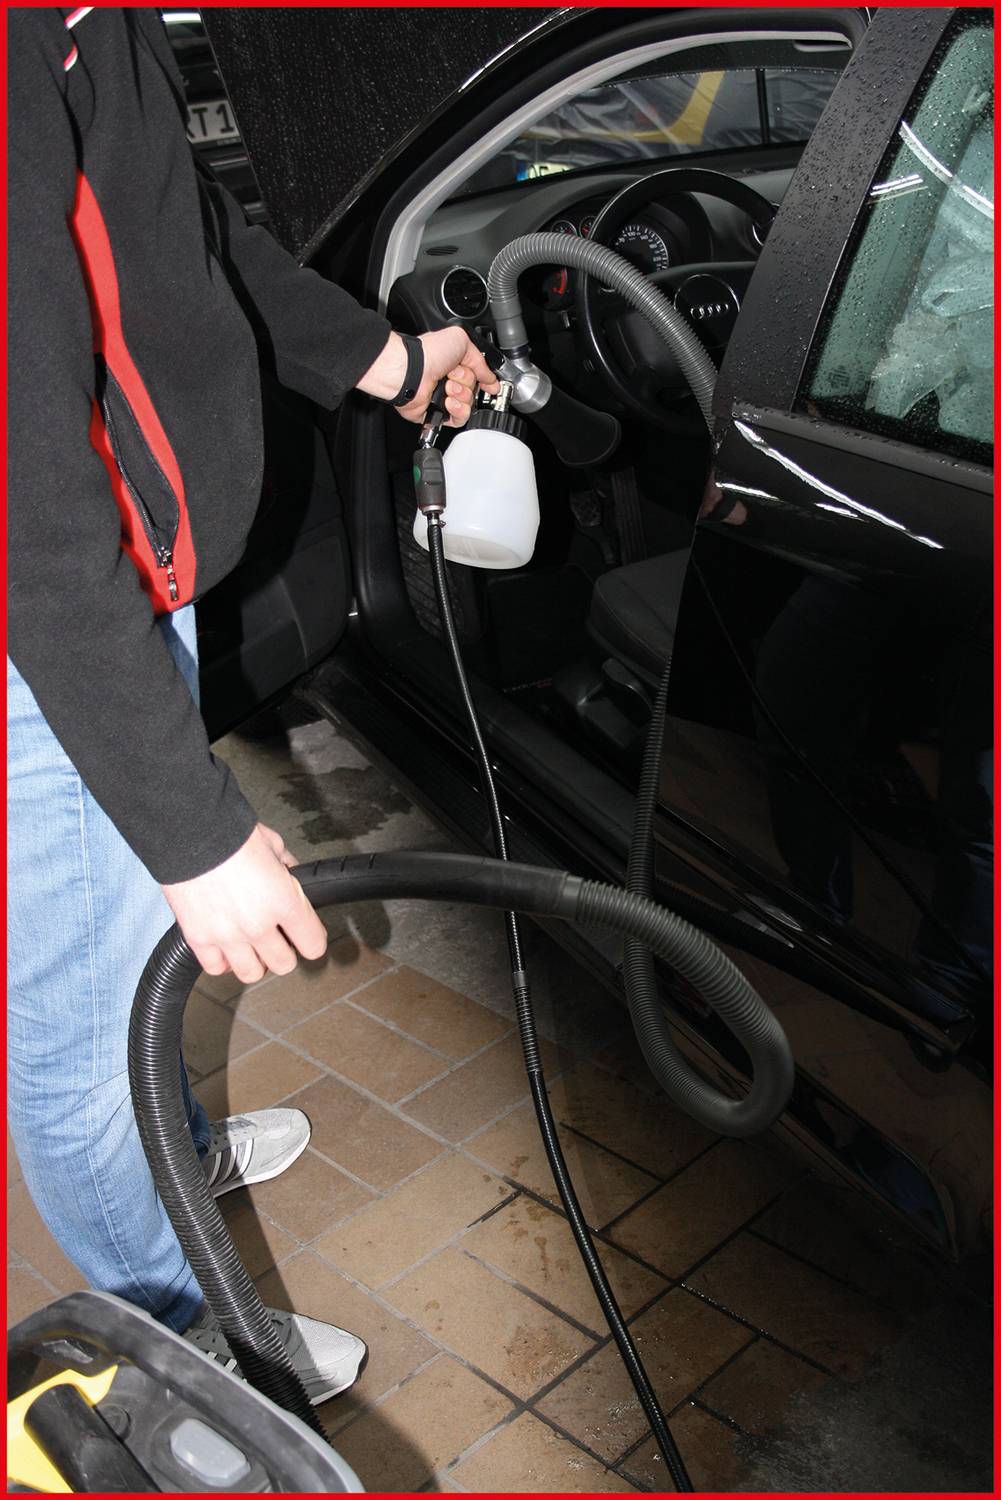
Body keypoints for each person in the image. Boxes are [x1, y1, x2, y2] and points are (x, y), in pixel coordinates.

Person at [8, 6, 498, 1404]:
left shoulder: (91, 25)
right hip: (42, 623)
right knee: (81, 1046)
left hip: (121, 582)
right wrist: (189, 830)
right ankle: (186, 1352)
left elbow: (183, 239)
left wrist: (386, 363)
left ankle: (176, 1156)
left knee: (122, 1005)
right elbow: (20, 489)